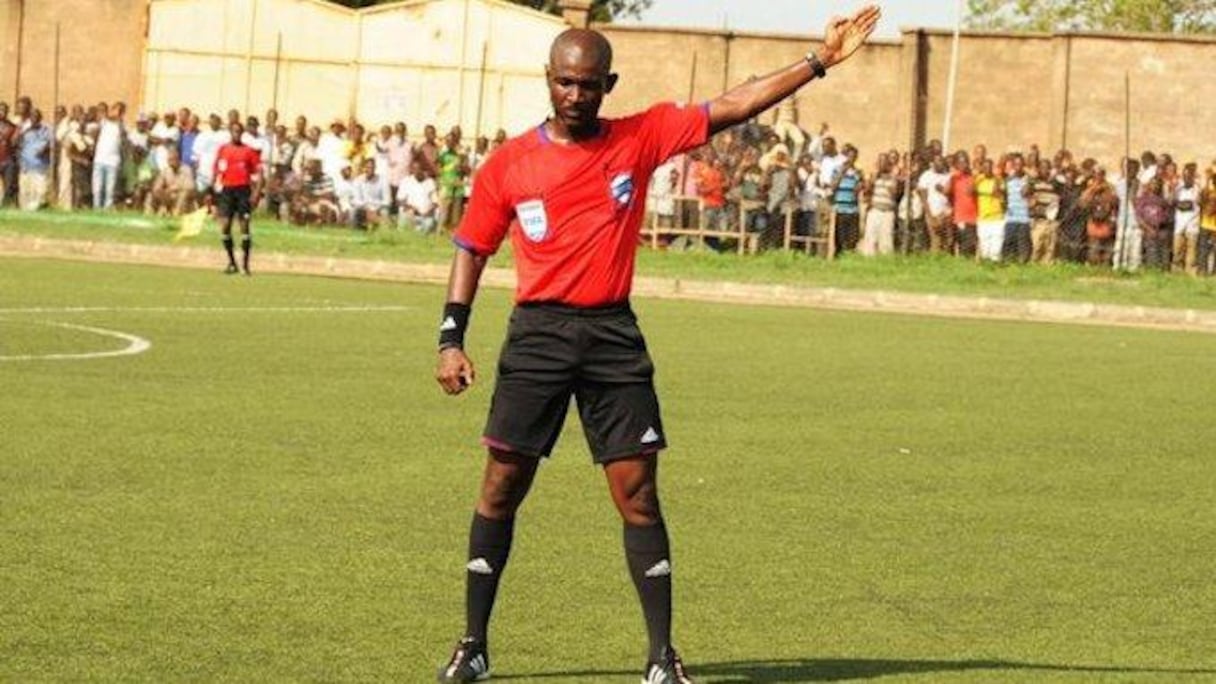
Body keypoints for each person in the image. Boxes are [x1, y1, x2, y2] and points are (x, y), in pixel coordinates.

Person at [432, 8, 881, 684]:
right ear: (547, 81)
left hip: (612, 334)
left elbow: (733, 104)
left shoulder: (639, 138)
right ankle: (473, 645)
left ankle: (661, 658)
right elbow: (472, 249)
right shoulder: (510, 164)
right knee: (501, 485)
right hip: (538, 336)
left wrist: (818, 61)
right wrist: (451, 337)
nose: (575, 96)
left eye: (587, 84)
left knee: (637, 493)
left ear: (608, 85)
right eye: (563, 83)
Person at [213, 121, 261, 275]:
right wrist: (212, 192)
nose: (236, 134)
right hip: (227, 190)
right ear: (230, 132)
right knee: (225, 226)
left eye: (239, 131)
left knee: (244, 226)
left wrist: (256, 193)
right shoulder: (223, 150)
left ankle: (245, 265)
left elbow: (259, 173)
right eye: (234, 131)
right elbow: (217, 171)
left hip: (243, 190)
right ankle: (231, 262)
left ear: (242, 133)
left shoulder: (248, 151)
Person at [860, 153, 898, 256]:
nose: (882, 164)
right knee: (871, 235)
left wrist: (889, 179)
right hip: (875, 210)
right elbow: (866, 191)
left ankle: (885, 258)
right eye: (880, 162)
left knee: (886, 236)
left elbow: (895, 193)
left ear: (888, 164)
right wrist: (873, 179)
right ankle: (868, 257)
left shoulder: (893, 177)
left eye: (884, 162)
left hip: (887, 211)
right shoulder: (873, 176)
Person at [16, 109, 53, 211]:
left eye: (37, 117)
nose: (34, 119)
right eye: (32, 117)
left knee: (41, 191)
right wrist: (22, 132)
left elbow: (51, 143)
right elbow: (16, 144)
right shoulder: (25, 131)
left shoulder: (46, 130)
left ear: (40, 119)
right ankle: (25, 210)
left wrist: (44, 149)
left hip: (40, 166)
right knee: (26, 190)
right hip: (26, 166)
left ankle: (37, 209)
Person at [1029, 159, 1062, 264]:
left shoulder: (1056, 183)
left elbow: (1062, 194)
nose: (1045, 170)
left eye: (1047, 168)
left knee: (1050, 247)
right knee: (1036, 245)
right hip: (1038, 219)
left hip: (1051, 219)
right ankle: (1034, 264)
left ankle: (1047, 265)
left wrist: (1054, 177)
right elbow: (1024, 193)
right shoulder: (1034, 182)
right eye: (1042, 167)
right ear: (1038, 169)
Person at [147, 148, 196, 217]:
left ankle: (176, 214)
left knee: (183, 194)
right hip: (168, 195)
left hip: (180, 195)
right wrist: (159, 190)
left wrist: (175, 188)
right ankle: (149, 215)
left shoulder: (186, 170)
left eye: (172, 160)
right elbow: (157, 185)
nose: (170, 162)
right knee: (151, 194)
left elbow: (191, 187)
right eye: (169, 160)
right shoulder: (166, 170)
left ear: (177, 159)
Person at [1002, 154, 1032, 263]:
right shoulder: (1007, 181)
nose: (1018, 166)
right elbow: (1004, 197)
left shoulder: (1027, 180)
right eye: (1016, 164)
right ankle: (1007, 265)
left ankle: (1021, 267)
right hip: (1010, 218)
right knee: (1008, 243)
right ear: (1013, 166)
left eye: (1020, 164)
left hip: (1023, 218)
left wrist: (1028, 179)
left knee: (1023, 246)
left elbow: (1025, 193)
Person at [1172, 163, 1201, 275]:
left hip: (1192, 224)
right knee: (1177, 251)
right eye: (1184, 176)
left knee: (1191, 251)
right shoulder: (1178, 188)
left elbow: (1191, 204)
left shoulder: (1197, 188)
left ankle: (1190, 273)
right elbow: (1173, 202)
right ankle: (1176, 273)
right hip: (1179, 225)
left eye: (1189, 176)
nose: (1186, 178)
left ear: (1193, 176)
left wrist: (1182, 204)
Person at [396, 159, 439, 232]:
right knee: (407, 215)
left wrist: (430, 210)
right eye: (415, 169)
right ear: (412, 170)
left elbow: (435, 202)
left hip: (426, 214)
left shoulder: (430, 182)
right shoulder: (406, 181)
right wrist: (411, 207)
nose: (418, 171)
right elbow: (398, 201)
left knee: (429, 224)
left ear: (423, 170)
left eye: (420, 169)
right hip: (411, 213)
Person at [975, 159, 1005, 262]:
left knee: (996, 248)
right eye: (985, 167)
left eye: (989, 167)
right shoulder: (979, 179)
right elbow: (970, 191)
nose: (987, 169)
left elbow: (997, 193)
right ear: (982, 168)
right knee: (985, 249)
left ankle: (995, 266)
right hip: (983, 218)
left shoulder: (999, 179)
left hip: (997, 218)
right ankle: (986, 267)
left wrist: (996, 178)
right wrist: (977, 178)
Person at [949, 151, 978, 258]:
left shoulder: (974, 177)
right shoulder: (954, 178)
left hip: (974, 217)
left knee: (971, 245)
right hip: (961, 217)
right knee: (964, 245)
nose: (964, 165)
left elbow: (973, 191)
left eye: (966, 162)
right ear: (956, 164)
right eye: (961, 163)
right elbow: (947, 193)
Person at [351, 158, 390, 230]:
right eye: (367, 167)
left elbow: (387, 201)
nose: (369, 170)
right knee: (354, 211)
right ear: (364, 168)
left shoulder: (382, 180)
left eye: (371, 168)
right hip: (363, 209)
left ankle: (382, 231)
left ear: (375, 168)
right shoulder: (358, 180)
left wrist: (374, 208)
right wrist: (367, 208)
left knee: (385, 211)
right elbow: (356, 200)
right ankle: (358, 230)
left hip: (378, 209)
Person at [1198, 171, 1216, 276]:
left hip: (1212, 226)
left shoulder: (1211, 193)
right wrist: (1207, 180)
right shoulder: (1209, 191)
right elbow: (1202, 200)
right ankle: (1203, 271)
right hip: (1206, 225)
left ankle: (1211, 272)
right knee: (1203, 249)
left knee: (1209, 250)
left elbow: (1208, 210)